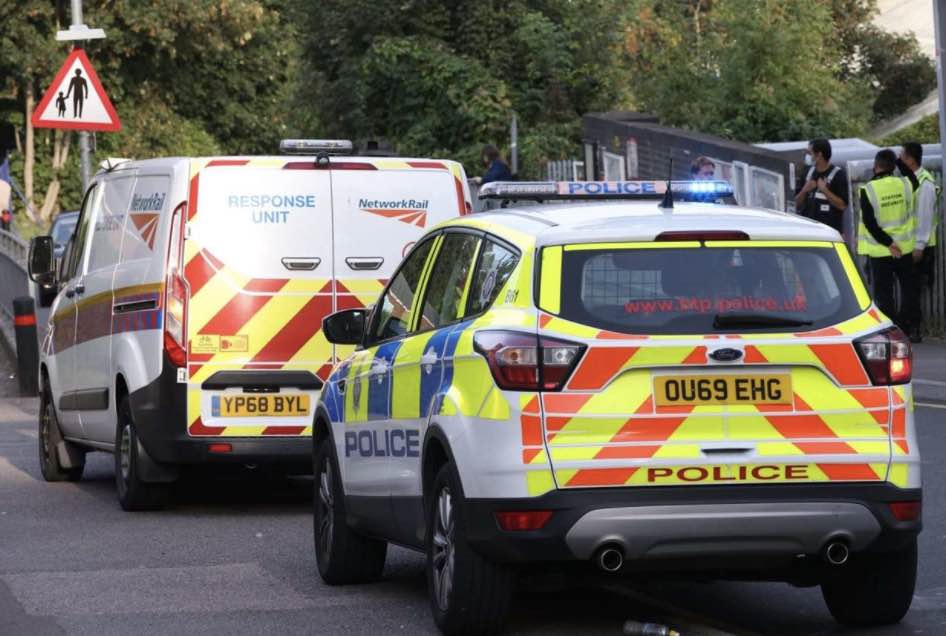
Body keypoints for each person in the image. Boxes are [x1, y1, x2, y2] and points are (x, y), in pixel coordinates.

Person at [857, 149, 920, 338]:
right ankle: (905, 326)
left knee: (885, 296)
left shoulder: (867, 190)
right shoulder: (906, 184)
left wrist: (888, 243)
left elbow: (870, 223)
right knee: (909, 290)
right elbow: (913, 177)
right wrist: (900, 162)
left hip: (881, 251)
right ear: (894, 166)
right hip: (905, 249)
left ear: (876, 166)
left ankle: (891, 332)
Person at [899, 142, 941, 341]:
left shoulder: (924, 183)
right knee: (909, 288)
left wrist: (919, 246)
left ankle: (914, 329)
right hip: (910, 245)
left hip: (920, 247)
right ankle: (908, 327)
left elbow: (924, 216)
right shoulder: (909, 180)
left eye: (902, 156)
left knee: (914, 290)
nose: (900, 160)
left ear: (911, 160)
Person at [795, 138, 849, 236]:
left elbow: (842, 205)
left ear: (819, 155)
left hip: (830, 234)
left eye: (810, 153)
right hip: (807, 232)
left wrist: (825, 190)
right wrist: (804, 190)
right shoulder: (807, 172)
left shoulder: (839, 175)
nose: (809, 157)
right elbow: (796, 205)